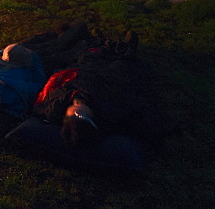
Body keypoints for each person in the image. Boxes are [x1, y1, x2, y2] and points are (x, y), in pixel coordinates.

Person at [32, 31, 166, 149]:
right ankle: (125, 46)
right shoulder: (110, 112)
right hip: (104, 78)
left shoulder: (54, 108)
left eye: (72, 115)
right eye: (81, 115)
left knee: (88, 56)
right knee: (121, 63)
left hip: (82, 73)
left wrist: (72, 95)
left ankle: (100, 40)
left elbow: (45, 102)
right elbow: (144, 115)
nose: (77, 111)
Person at [0, 22, 98, 121]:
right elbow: (41, 81)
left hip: (13, 52)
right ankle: (85, 32)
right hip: (35, 60)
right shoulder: (20, 95)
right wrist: (33, 57)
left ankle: (60, 33)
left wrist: (4, 51)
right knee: (63, 46)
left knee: (47, 38)